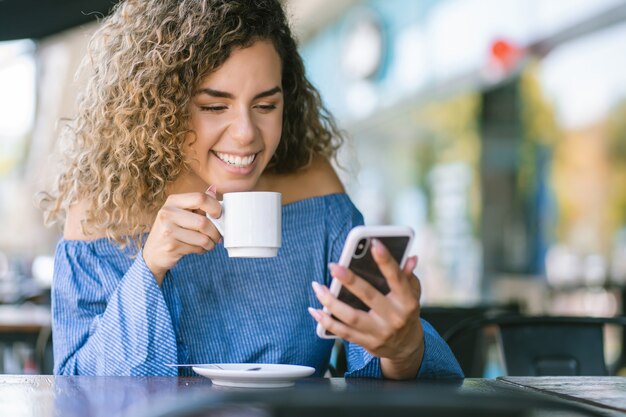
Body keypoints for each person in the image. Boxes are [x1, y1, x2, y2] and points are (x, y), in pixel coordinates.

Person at [40, 0, 463, 379]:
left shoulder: (315, 192)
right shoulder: (105, 211)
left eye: (265, 105)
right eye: (214, 106)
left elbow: (376, 363)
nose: (246, 134)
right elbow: (77, 386)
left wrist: (403, 348)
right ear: (162, 106)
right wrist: (149, 267)